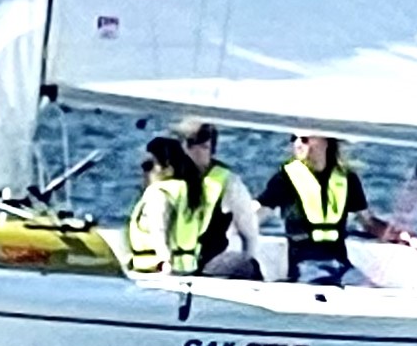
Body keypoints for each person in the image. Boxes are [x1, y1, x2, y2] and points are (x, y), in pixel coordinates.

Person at [258, 133, 389, 285]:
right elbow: (256, 213)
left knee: (368, 288)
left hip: (341, 263)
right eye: (294, 139)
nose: (298, 144)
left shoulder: (347, 179)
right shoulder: (284, 179)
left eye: (305, 139)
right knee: (322, 279)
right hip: (306, 263)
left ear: (325, 141)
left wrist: (401, 237)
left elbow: (368, 222)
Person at [174, 116, 264, 279]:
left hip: (210, 266)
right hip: (171, 265)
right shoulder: (166, 179)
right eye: (190, 145)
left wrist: (249, 258)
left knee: (242, 264)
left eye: (203, 147)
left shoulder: (228, 182)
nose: (196, 152)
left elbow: (249, 231)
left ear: (212, 150)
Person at [125, 135, 208, 274]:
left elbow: (159, 231)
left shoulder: (158, 194)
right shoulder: (189, 192)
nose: (143, 172)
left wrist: (165, 263)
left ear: (167, 167)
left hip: (154, 273)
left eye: (148, 166)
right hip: (187, 270)